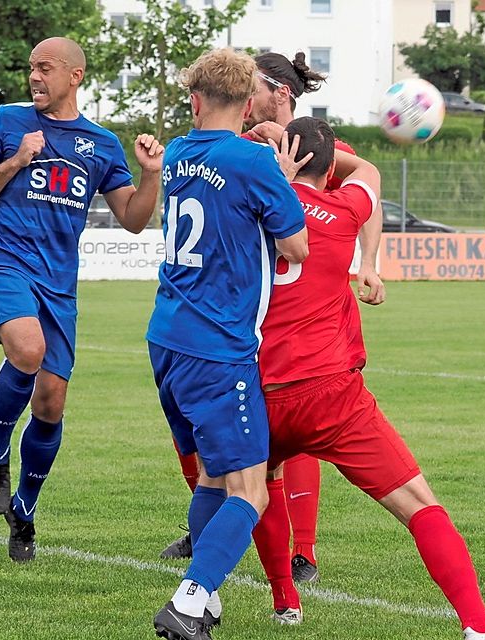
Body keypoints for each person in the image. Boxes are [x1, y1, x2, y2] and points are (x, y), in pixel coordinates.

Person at [249, 116, 485, 640]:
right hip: (331, 393)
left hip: (261, 391)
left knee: (259, 486)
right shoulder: (345, 208)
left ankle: (285, 599)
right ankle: (480, 625)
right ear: (328, 172)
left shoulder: (249, 210)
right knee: (419, 504)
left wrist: (272, 158)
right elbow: (366, 170)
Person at [159, 52, 386, 587]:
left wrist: (368, 262)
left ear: (277, 94)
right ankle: (214, 535)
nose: (245, 99)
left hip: (293, 324)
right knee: (231, 443)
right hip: (240, 316)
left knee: (288, 436)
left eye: (253, 89)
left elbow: (368, 184)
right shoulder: (241, 149)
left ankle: (298, 553)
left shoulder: (319, 150)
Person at [0, 37, 164, 563]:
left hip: (59, 286)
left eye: (45, 69)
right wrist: (16, 163)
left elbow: (135, 221)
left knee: (50, 404)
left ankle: (24, 509)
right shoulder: (7, 123)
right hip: (4, 261)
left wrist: (151, 174)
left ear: (75, 74)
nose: (34, 77)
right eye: (31, 69)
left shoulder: (100, 144)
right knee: (25, 350)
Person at [148, 47, 308, 640]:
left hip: (166, 338)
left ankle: (206, 595)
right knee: (250, 490)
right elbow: (296, 247)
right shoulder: (253, 162)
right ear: (248, 106)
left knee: (214, 479)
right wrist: (283, 178)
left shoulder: (180, 153)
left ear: (194, 101)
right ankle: (190, 600)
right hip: (220, 346)